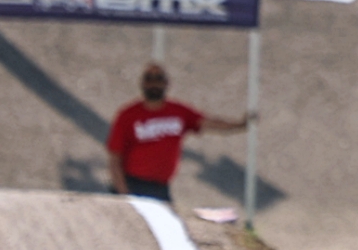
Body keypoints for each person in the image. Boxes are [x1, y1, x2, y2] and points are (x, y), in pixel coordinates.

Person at [106, 63, 250, 203]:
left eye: (158, 78)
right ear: (142, 83)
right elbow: (114, 158)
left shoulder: (178, 112)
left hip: (160, 188)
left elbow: (209, 123)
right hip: (133, 184)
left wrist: (240, 125)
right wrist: (124, 194)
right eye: (149, 78)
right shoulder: (128, 115)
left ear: (166, 83)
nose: (154, 83)